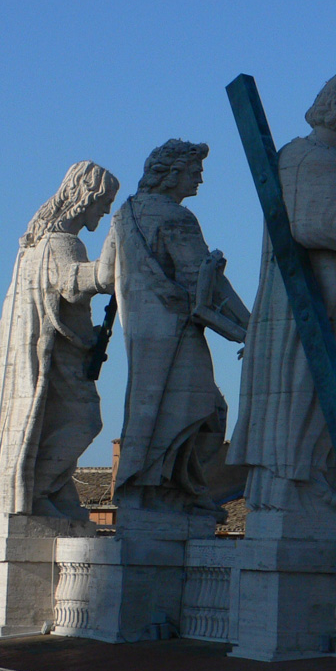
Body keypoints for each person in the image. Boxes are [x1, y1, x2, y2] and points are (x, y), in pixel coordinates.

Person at [229, 73, 336, 520]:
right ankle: (300, 484)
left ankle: (314, 479)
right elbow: (324, 222)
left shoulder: (324, 162)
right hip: (314, 311)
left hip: (335, 306)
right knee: (309, 392)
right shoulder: (309, 158)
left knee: (332, 392)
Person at [109, 140, 248, 516]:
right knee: (207, 410)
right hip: (177, 331)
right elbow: (201, 283)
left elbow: (106, 275)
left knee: (150, 410)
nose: (200, 179)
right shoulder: (177, 218)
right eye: (194, 171)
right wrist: (252, 327)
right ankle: (178, 490)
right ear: (172, 174)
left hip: (139, 332)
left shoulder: (124, 215)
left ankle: (166, 487)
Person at [0, 162, 119, 522]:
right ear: (83, 198)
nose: (105, 210)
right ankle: (40, 489)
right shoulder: (62, 242)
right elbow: (75, 285)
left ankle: (53, 490)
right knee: (84, 420)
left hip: (60, 348)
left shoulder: (37, 244)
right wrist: (115, 249)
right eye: (104, 201)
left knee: (54, 422)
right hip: (57, 355)